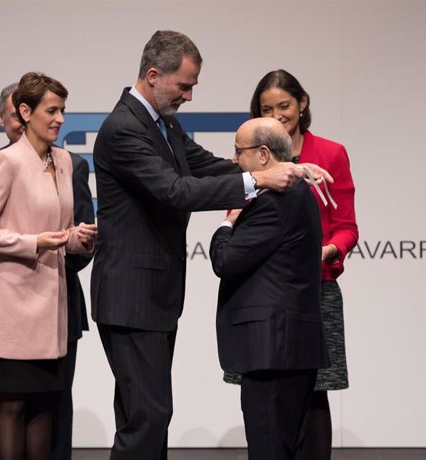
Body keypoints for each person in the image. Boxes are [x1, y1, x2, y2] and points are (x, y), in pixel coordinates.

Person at [91, 30, 331, 460]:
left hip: (154, 296)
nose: (189, 95)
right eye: (184, 85)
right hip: (130, 296)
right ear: (152, 75)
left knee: (148, 416)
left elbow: (207, 165)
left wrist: (283, 167)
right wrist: (258, 179)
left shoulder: (162, 123)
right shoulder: (123, 128)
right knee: (146, 416)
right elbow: (177, 191)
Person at [0, 82, 95, 459]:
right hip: (14, 304)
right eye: (52, 111)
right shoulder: (7, 161)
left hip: (53, 304)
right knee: (13, 405)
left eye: (62, 110)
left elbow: (64, 231)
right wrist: (34, 242)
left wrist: (82, 238)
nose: (60, 119)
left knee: (45, 405)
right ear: (25, 113)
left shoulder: (66, 162)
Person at [251, 69, 359, 459]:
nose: (278, 115)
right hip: (263, 292)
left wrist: (327, 250)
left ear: (302, 103)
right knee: (266, 391)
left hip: (315, 290)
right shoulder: (253, 156)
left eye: (285, 106)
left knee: (315, 392)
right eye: (268, 108)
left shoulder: (330, 154)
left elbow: (347, 227)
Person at [209, 117, 329, 459]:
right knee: (291, 446)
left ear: (263, 155)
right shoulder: (297, 192)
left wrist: (226, 223)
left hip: (271, 348)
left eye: (238, 151)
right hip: (290, 346)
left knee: (269, 447)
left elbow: (226, 261)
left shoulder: (272, 201)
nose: (233, 159)